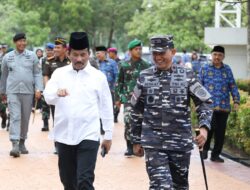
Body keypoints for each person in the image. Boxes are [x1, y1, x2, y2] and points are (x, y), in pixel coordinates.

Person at [130, 35, 212, 189]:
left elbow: (204, 101)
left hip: (180, 143)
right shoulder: (144, 76)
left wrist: (204, 128)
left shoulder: (187, 75)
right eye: (155, 53)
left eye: (162, 53)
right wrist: (135, 140)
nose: (158, 57)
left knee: (180, 186)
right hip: (153, 142)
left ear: (173, 52)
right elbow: (136, 110)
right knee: (161, 186)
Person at [43, 31, 113, 190]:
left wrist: (108, 135)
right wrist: (56, 93)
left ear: (89, 54)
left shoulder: (98, 77)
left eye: (83, 54)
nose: (79, 59)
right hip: (64, 135)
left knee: (84, 181)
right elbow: (48, 96)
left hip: (88, 134)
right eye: (75, 55)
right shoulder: (59, 74)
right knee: (68, 181)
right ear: (68, 53)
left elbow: (106, 107)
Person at [0, 33, 43, 157]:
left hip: (28, 91)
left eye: (24, 41)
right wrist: (2, 91)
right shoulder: (7, 57)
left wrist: (39, 88)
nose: (22, 43)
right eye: (19, 41)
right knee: (15, 116)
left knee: (25, 117)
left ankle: (22, 141)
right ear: (15, 42)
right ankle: (15, 143)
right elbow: (4, 75)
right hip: (12, 91)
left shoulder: (32, 56)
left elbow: (37, 73)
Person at [199, 45, 240, 162]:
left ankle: (215, 155)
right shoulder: (204, 68)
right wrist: (197, 102)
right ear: (211, 55)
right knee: (208, 128)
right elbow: (198, 86)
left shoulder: (227, 69)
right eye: (215, 54)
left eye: (220, 55)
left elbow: (232, 85)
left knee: (220, 132)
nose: (217, 57)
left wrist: (236, 100)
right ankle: (205, 150)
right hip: (208, 106)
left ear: (223, 57)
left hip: (223, 106)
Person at [115, 39, 150, 157]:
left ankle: (139, 145)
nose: (139, 51)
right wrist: (118, 98)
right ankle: (129, 146)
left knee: (141, 122)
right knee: (129, 121)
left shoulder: (146, 65)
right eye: (136, 49)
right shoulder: (123, 65)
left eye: (140, 49)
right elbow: (119, 82)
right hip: (129, 99)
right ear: (130, 51)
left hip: (142, 99)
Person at [95, 46, 118, 124]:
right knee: (97, 108)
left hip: (109, 90)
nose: (97, 55)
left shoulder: (112, 63)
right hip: (96, 90)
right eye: (96, 53)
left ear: (104, 53)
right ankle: (100, 126)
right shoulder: (94, 63)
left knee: (108, 108)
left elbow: (116, 76)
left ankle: (107, 125)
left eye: (99, 53)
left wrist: (115, 89)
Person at [40, 43, 55, 131]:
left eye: (50, 50)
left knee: (54, 106)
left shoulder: (56, 60)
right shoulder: (43, 60)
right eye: (47, 50)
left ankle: (55, 123)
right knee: (44, 105)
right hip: (44, 85)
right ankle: (45, 124)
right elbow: (40, 73)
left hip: (54, 85)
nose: (49, 52)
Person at [108, 47, 121, 122]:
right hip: (111, 86)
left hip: (117, 85)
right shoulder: (109, 61)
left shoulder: (119, 62)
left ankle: (115, 115)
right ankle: (113, 115)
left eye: (110, 53)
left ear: (113, 53)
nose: (109, 54)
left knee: (117, 102)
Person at [0, 43, 9, 129]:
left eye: (4, 47)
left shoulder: (10, 57)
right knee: (2, 107)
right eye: (2, 48)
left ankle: (7, 120)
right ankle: (4, 117)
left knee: (9, 105)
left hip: (8, 85)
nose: (3, 49)